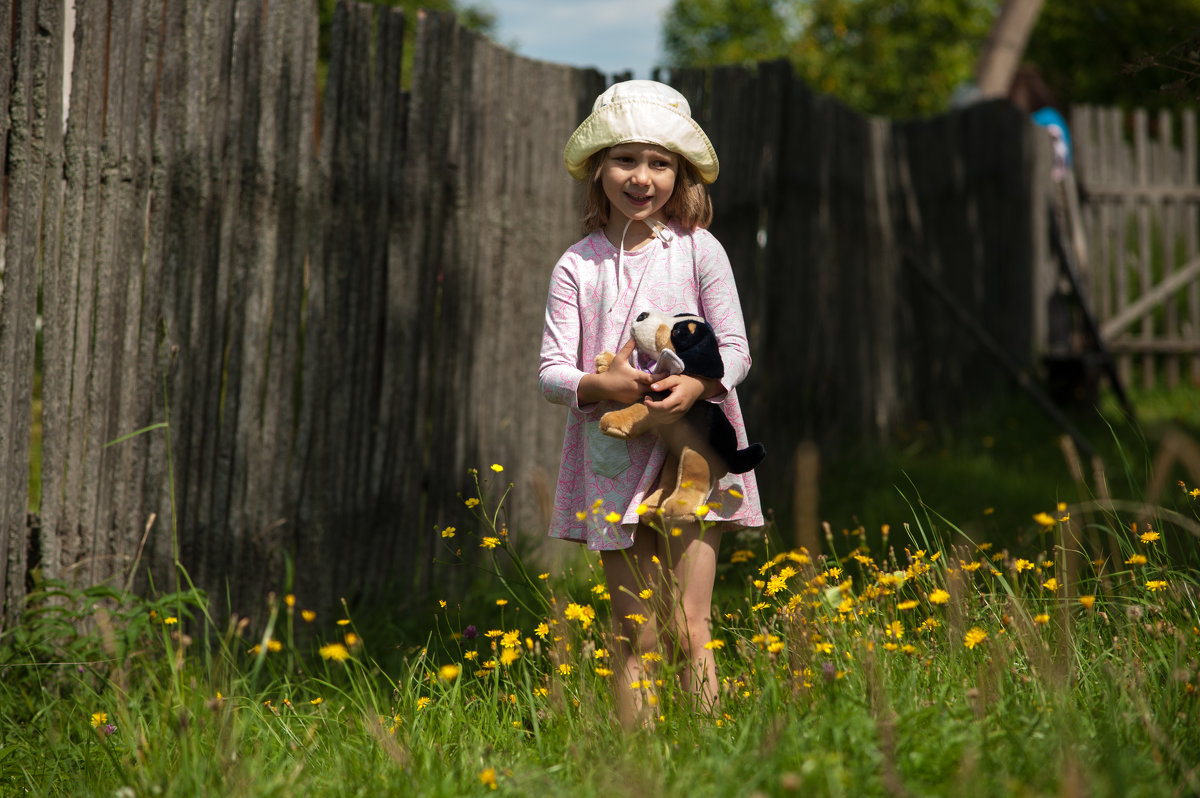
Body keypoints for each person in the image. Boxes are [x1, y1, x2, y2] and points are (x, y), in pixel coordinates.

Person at [538, 80, 764, 728]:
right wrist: (595, 386)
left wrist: (701, 383)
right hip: (612, 457)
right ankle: (636, 761)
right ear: (598, 169)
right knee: (635, 629)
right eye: (626, 159)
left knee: (690, 624)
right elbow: (552, 371)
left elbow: (737, 350)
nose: (642, 177)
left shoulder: (699, 249)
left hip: (695, 454)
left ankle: (708, 749)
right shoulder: (577, 268)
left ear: (680, 173)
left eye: (659, 163)